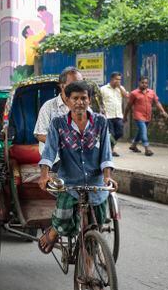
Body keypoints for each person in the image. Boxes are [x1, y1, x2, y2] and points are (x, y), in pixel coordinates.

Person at [37, 81, 117, 253]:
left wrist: (107, 176)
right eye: (75, 98)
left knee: (98, 225)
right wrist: (44, 175)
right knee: (63, 224)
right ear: (67, 100)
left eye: (84, 98)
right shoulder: (58, 124)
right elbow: (49, 151)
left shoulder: (100, 122)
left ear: (89, 100)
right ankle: (52, 232)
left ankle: (87, 266)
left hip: (96, 185)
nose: (80, 102)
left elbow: (106, 153)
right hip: (69, 183)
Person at [34, 66, 82, 156]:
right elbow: (40, 134)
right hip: (55, 156)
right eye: (74, 84)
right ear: (62, 86)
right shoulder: (48, 107)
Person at [125, 76, 168, 156]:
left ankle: (133, 145)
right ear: (139, 83)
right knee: (144, 131)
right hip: (138, 116)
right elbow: (129, 105)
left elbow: (157, 102)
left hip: (147, 116)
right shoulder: (134, 93)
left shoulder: (151, 92)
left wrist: (163, 111)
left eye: (146, 83)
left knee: (140, 131)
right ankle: (147, 149)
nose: (144, 84)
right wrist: (125, 116)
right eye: (142, 83)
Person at [100, 72, 129, 156]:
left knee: (119, 133)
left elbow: (126, 96)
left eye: (120, 79)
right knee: (111, 134)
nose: (118, 81)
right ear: (112, 79)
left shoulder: (120, 89)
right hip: (108, 116)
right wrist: (101, 111)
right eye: (117, 79)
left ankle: (109, 148)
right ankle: (111, 150)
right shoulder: (103, 89)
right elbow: (99, 101)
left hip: (118, 115)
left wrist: (119, 86)